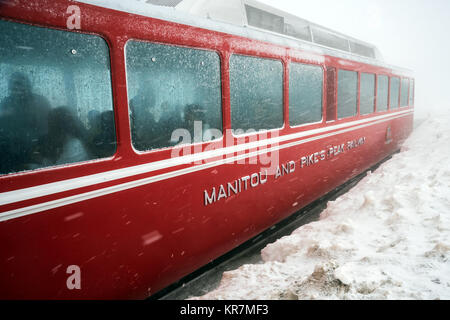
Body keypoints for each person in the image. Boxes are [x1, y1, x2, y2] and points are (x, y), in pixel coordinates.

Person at [0, 72, 51, 173]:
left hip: (39, 151)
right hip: (10, 152)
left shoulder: (40, 102)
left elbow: (49, 127)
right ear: (10, 88)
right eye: (14, 88)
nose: (18, 92)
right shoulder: (5, 104)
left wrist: (41, 149)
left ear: (28, 86)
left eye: (21, 87)